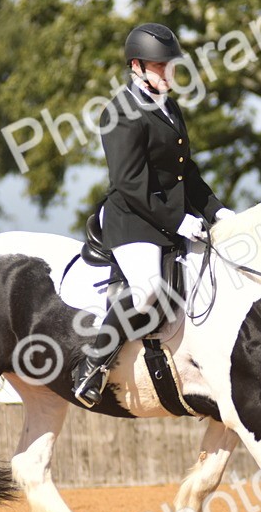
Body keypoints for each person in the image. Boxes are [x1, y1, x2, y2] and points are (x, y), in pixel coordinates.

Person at [72, 22, 235, 408]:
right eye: (160, 66)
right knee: (145, 291)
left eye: (171, 66)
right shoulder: (120, 112)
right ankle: (94, 365)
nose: (169, 73)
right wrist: (179, 220)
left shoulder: (169, 107)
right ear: (137, 67)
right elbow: (130, 182)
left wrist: (218, 211)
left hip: (168, 218)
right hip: (133, 222)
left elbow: (185, 172)